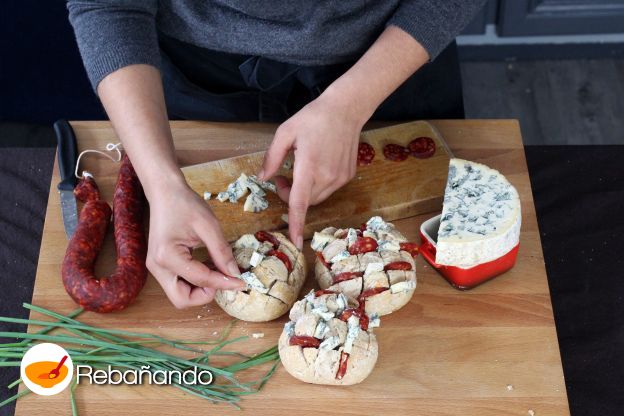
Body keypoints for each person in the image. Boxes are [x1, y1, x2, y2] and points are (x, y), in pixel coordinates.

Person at [67, 1, 485, 309]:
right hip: (197, 75)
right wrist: (161, 184)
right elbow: (106, 5)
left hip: (398, 53)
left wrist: (353, 102)